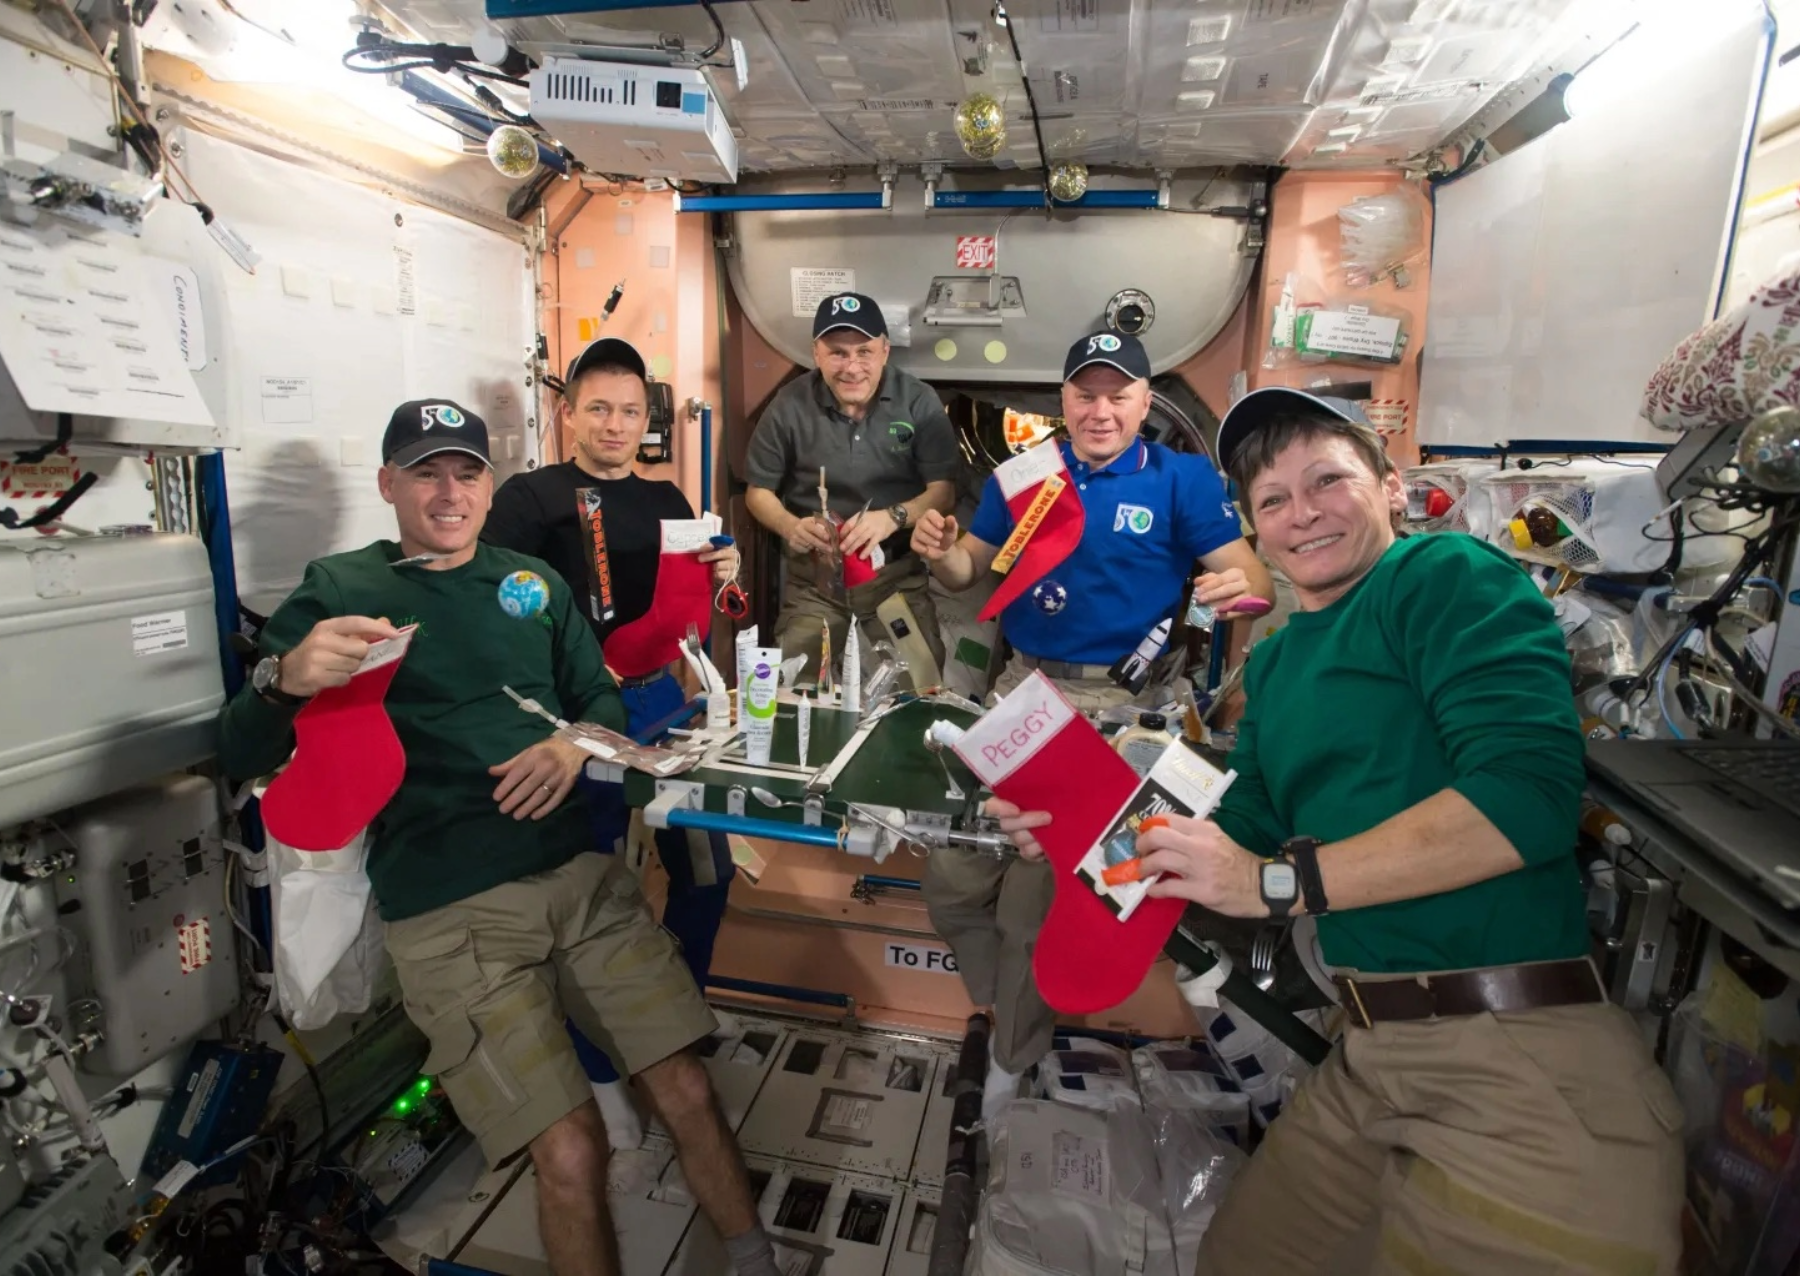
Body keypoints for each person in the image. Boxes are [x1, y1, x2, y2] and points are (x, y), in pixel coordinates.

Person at [986, 387, 1685, 1274]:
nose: (1300, 513)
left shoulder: (1445, 578)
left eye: (1328, 480)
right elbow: (1233, 827)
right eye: (1271, 500)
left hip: (1516, 1063)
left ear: (1390, 489)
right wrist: (1081, 831)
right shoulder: (1277, 665)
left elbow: (1527, 795)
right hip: (1369, 1059)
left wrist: (1276, 884)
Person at [217, 399, 783, 1276]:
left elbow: (597, 698)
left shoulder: (533, 584)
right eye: (425, 471)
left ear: (491, 486)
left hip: (579, 879)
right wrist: (282, 682)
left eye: (467, 472)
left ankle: (756, 1258)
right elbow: (238, 753)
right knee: (568, 1148)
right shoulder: (340, 590)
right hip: (449, 908)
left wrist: (570, 743)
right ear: (387, 484)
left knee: (687, 1087)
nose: (449, 491)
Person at [908, 330, 1274, 1122]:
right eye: (1085, 393)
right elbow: (970, 568)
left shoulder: (1181, 480)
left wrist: (1235, 593)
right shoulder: (1026, 475)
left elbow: (1254, 580)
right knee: (952, 877)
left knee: (1033, 908)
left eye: (1118, 394)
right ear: (1063, 401)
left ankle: (1014, 1062)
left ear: (1145, 403)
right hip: (1024, 692)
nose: (1100, 410)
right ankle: (998, 1004)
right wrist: (939, 553)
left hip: (1124, 711)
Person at [482, 336, 739, 1151]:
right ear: (567, 414)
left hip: (665, 701)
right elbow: (502, 607)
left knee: (707, 869)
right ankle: (599, 1073)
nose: (616, 425)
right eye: (599, 408)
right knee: (592, 901)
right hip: (575, 720)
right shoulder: (531, 498)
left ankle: (678, 1020)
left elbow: (701, 611)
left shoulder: (669, 503)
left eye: (630, 411)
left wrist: (723, 570)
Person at [744, 291, 960, 685]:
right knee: (794, 688)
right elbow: (758, 492)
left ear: (884, 350)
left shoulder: (918, 401)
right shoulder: (789, 405)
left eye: (864, 351)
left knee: (918, 688)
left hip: (895, 577)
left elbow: (943, 491)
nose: (852, 366)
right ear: (817, 352)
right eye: (838, 353)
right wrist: (790, 526)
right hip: (816, 582)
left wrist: (893, 518)